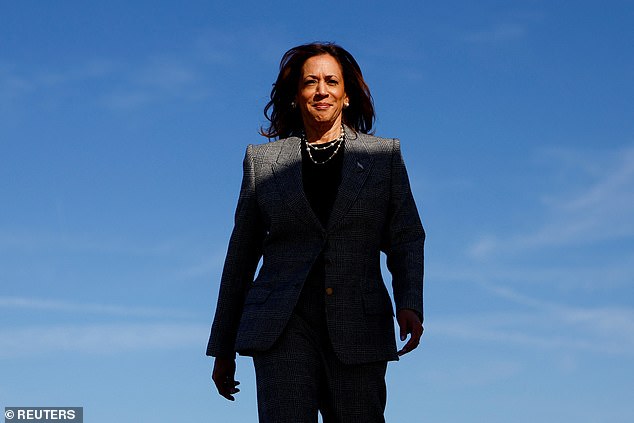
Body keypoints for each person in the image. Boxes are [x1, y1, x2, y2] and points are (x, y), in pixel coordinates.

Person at [206, 42, 425, 423]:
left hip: (359, 328)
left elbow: (406, 236)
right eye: (310, 82)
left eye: (331, 81)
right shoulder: (262, 162)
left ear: (347, 95)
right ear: (295, 97)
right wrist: (223, 345)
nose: (321, 90)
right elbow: (240, 257)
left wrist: (410, 301)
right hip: (282, 328)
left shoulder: (383, 157)